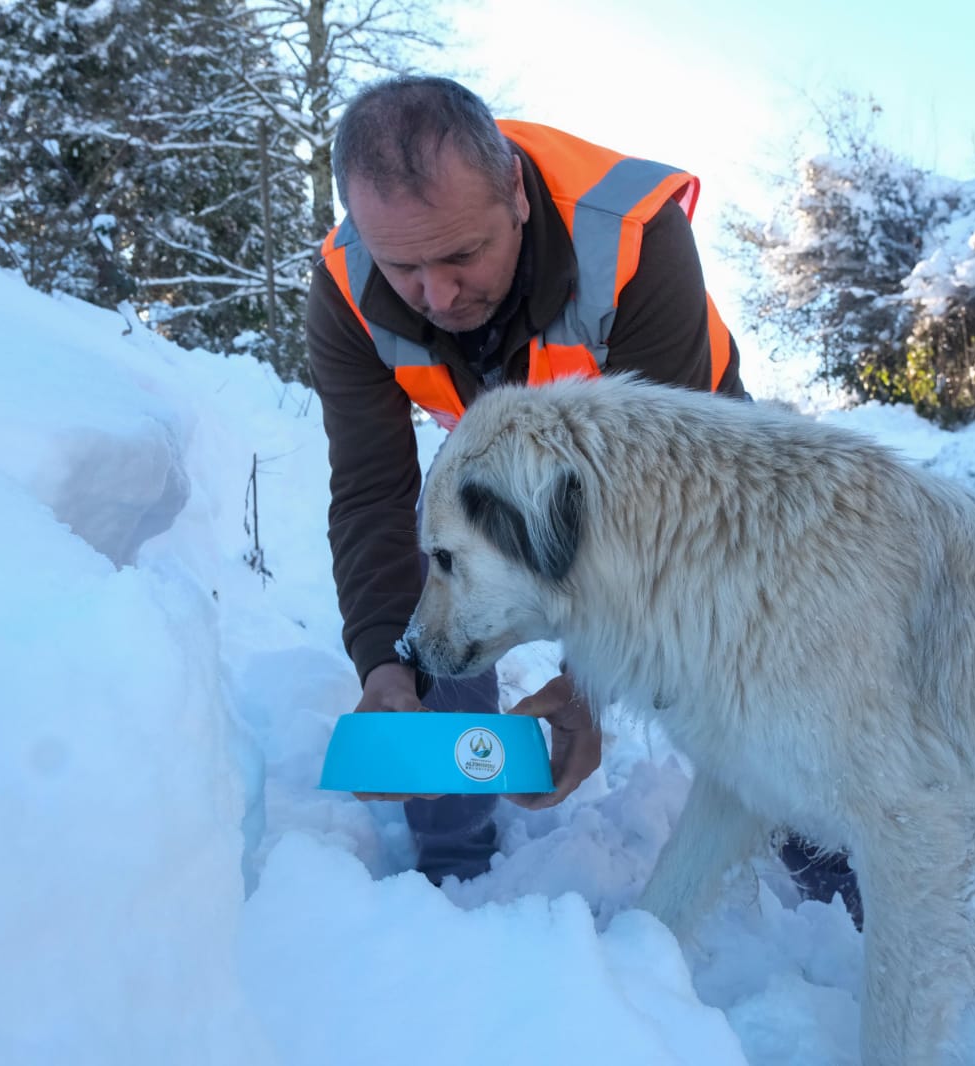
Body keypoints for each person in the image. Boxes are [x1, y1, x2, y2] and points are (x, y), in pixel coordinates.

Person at [306, 74, 859, 921]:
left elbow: (662, 516)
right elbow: (372, 494)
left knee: (743, 653)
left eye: (462, 256)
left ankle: (833, 868)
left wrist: (588, 684)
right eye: (404, 268)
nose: (437, 296)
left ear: (516, 196)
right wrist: (385, 663)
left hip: (693, 455)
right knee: (439, 581)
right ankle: (453, 868)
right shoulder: (346, 285)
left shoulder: (632, 239)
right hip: (504, 442)